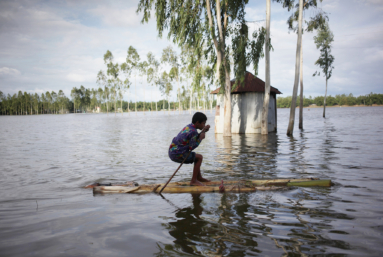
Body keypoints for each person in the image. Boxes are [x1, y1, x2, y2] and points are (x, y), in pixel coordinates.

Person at [168, 112, 211, 186]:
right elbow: (192, 147)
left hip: (173, 151)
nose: (204, 125)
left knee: (196, 157)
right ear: (197, 123)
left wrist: (203, 131)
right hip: (177, 154)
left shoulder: (189, 127)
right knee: (199, 157)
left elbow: (192, 139)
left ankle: (199, 177)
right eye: (203, 123)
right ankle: (194, 181)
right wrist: (200, 139)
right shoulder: (193, 131)